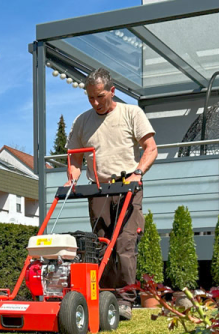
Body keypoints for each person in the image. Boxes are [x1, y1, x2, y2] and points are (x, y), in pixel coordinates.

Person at [66, 68, 158, 320]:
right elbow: (75, 157)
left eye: (100, 96)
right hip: (98, 189)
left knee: (125, 243)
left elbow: (150, 148)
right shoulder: (82, 121)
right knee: (100, 244)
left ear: (112, 91)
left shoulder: (131, 113)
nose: (95, 103)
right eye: (90, 98)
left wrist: (138, 172)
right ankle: (105, 296)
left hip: (128, 186)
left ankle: (125, 299)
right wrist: (72, 179)